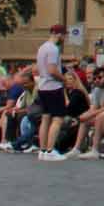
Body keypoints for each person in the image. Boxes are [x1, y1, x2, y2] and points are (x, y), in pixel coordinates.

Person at [33, 21, 70, 161]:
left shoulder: (42, 48)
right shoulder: (53, 49)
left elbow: (39, 68)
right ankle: (50, 150)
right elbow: (52, 70)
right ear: (59, 34)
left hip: (42, 86)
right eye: (64, 36)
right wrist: (63, 79)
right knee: (58, 119)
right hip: (53, 86)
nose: (64, 39)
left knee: (45, 118)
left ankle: (42, 150)